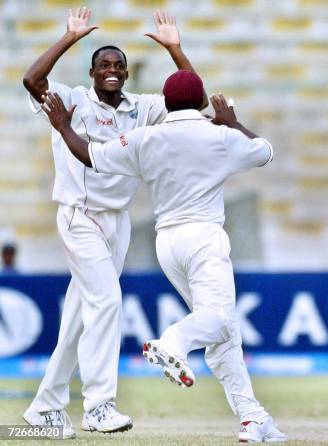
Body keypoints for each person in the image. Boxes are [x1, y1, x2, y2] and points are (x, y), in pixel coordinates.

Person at [40, 70, 286, 443]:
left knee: (224, 333)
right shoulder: (219, 135)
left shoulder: (144, 137)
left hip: (167, 243)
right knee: (219, 320)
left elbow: (90, 156)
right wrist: (232, 122)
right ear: (198, 100)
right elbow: (265, 152)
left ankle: (253, 418)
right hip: (204, 237)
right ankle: (174, 341)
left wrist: (62, 126)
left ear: (166, 104)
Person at [22, 7, 198, 438]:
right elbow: (32, 80)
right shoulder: (74, 98)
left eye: (119, 65)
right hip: (79, 216)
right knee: (107, 303)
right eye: (105, 65)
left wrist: (175, 49)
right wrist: (70, 37)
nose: (113, 70)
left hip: (117, 223)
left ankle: (44, 410)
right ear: (92, 71)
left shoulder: (142, 108)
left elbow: (193, 98)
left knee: (80, 318)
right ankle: (100, 405)